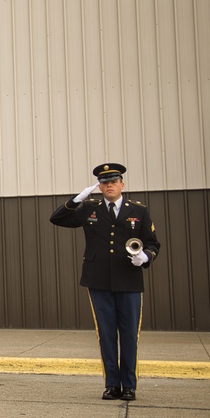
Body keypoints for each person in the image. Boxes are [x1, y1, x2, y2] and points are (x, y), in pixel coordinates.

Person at [49, 163, 160, 401]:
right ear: (99, 186)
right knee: (106, 334)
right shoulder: (89, 208)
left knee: (129, 334)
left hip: (129, 280)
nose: (109, 185)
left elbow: (152, 243)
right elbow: (56, 218)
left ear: (122, 184)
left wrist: (145, 257)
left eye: (113, 181)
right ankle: (112, 384)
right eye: (104, 182)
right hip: (98, 280)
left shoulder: (138, 210)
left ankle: (129, 385)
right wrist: (77, 199)